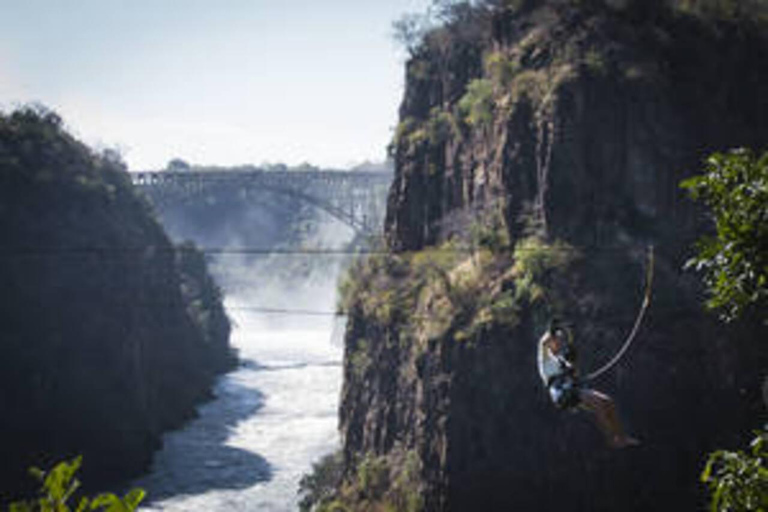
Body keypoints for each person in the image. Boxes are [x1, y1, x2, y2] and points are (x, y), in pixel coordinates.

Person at [538, 325, 639, 448]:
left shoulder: (561, 360)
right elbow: (543, 343)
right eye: (557, 340)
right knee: (598, 405)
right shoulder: (544, 357)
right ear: (551, 342)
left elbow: (574, 374)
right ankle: (612, 440)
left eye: (560, 340)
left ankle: (622, 437)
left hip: (573, 390)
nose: (559, 342)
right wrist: (554, 330)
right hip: (562, 394)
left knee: (608, 402)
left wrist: (572, 364)